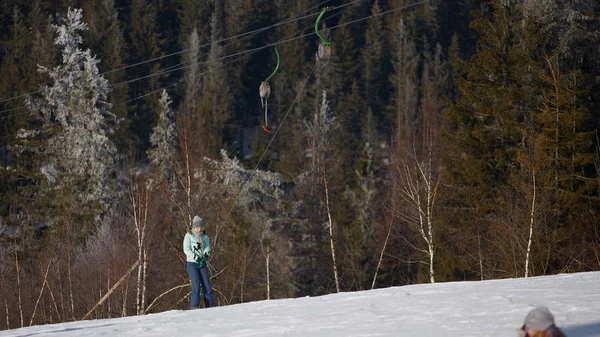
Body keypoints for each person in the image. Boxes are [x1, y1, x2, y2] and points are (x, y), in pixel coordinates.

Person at [183, 215, 214, 309]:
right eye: (196, 227)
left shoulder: (205, 237)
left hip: (202, 263)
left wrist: (205, 255)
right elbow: (186, 249)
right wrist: (196, 257)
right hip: (192, 263)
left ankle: (210, 304)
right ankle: (194, 305)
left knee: (206, 284)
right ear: (193, 227)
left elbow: (207, 247)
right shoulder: (188, 236)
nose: (198, 229)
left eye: (200, 227)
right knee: (196, 283)